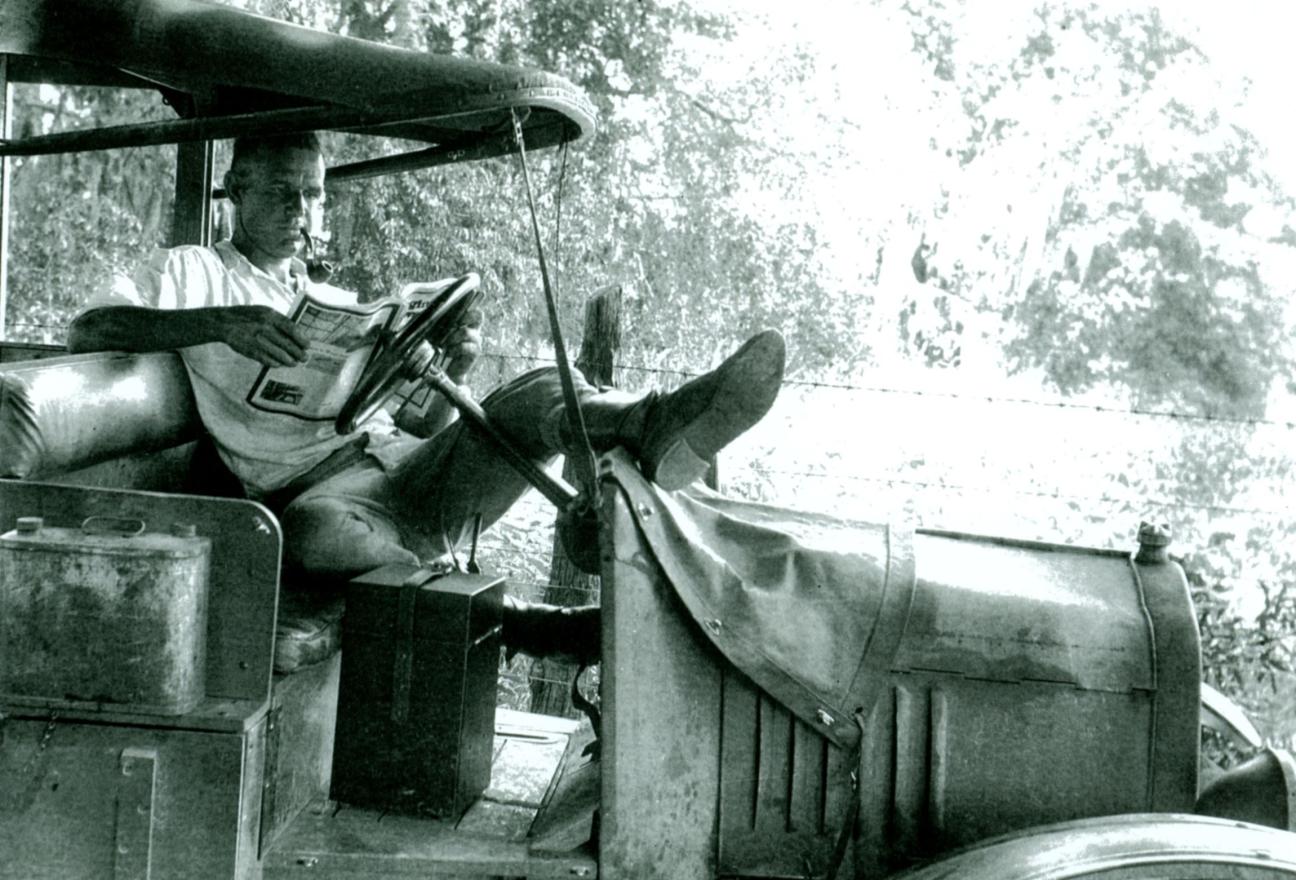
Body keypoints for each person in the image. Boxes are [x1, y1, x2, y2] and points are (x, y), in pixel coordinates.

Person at [67, 131, 785, 661]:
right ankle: (534, 627)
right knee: (317, 536)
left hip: (406, 469)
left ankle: (650, 423)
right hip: (321, 499)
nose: (301, 208)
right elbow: (88, 328)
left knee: (531, 391)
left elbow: (423, 419)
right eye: (282, 190)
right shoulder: (189, 272)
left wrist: (451, 369)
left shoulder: (327, 297)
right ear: (236, 191)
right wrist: (219, 323)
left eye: (313, 192)